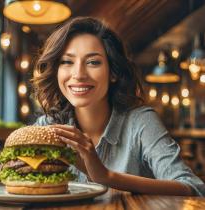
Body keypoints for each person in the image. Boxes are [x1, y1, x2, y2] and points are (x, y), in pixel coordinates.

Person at [32, 16, 205, 196]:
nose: (78, 74)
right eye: (67, 62)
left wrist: (106, 176)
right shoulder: (46, 126)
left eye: (93, 62)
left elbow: (194, 188)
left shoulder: (140, 122)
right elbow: (4, 184)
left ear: (113, 72)